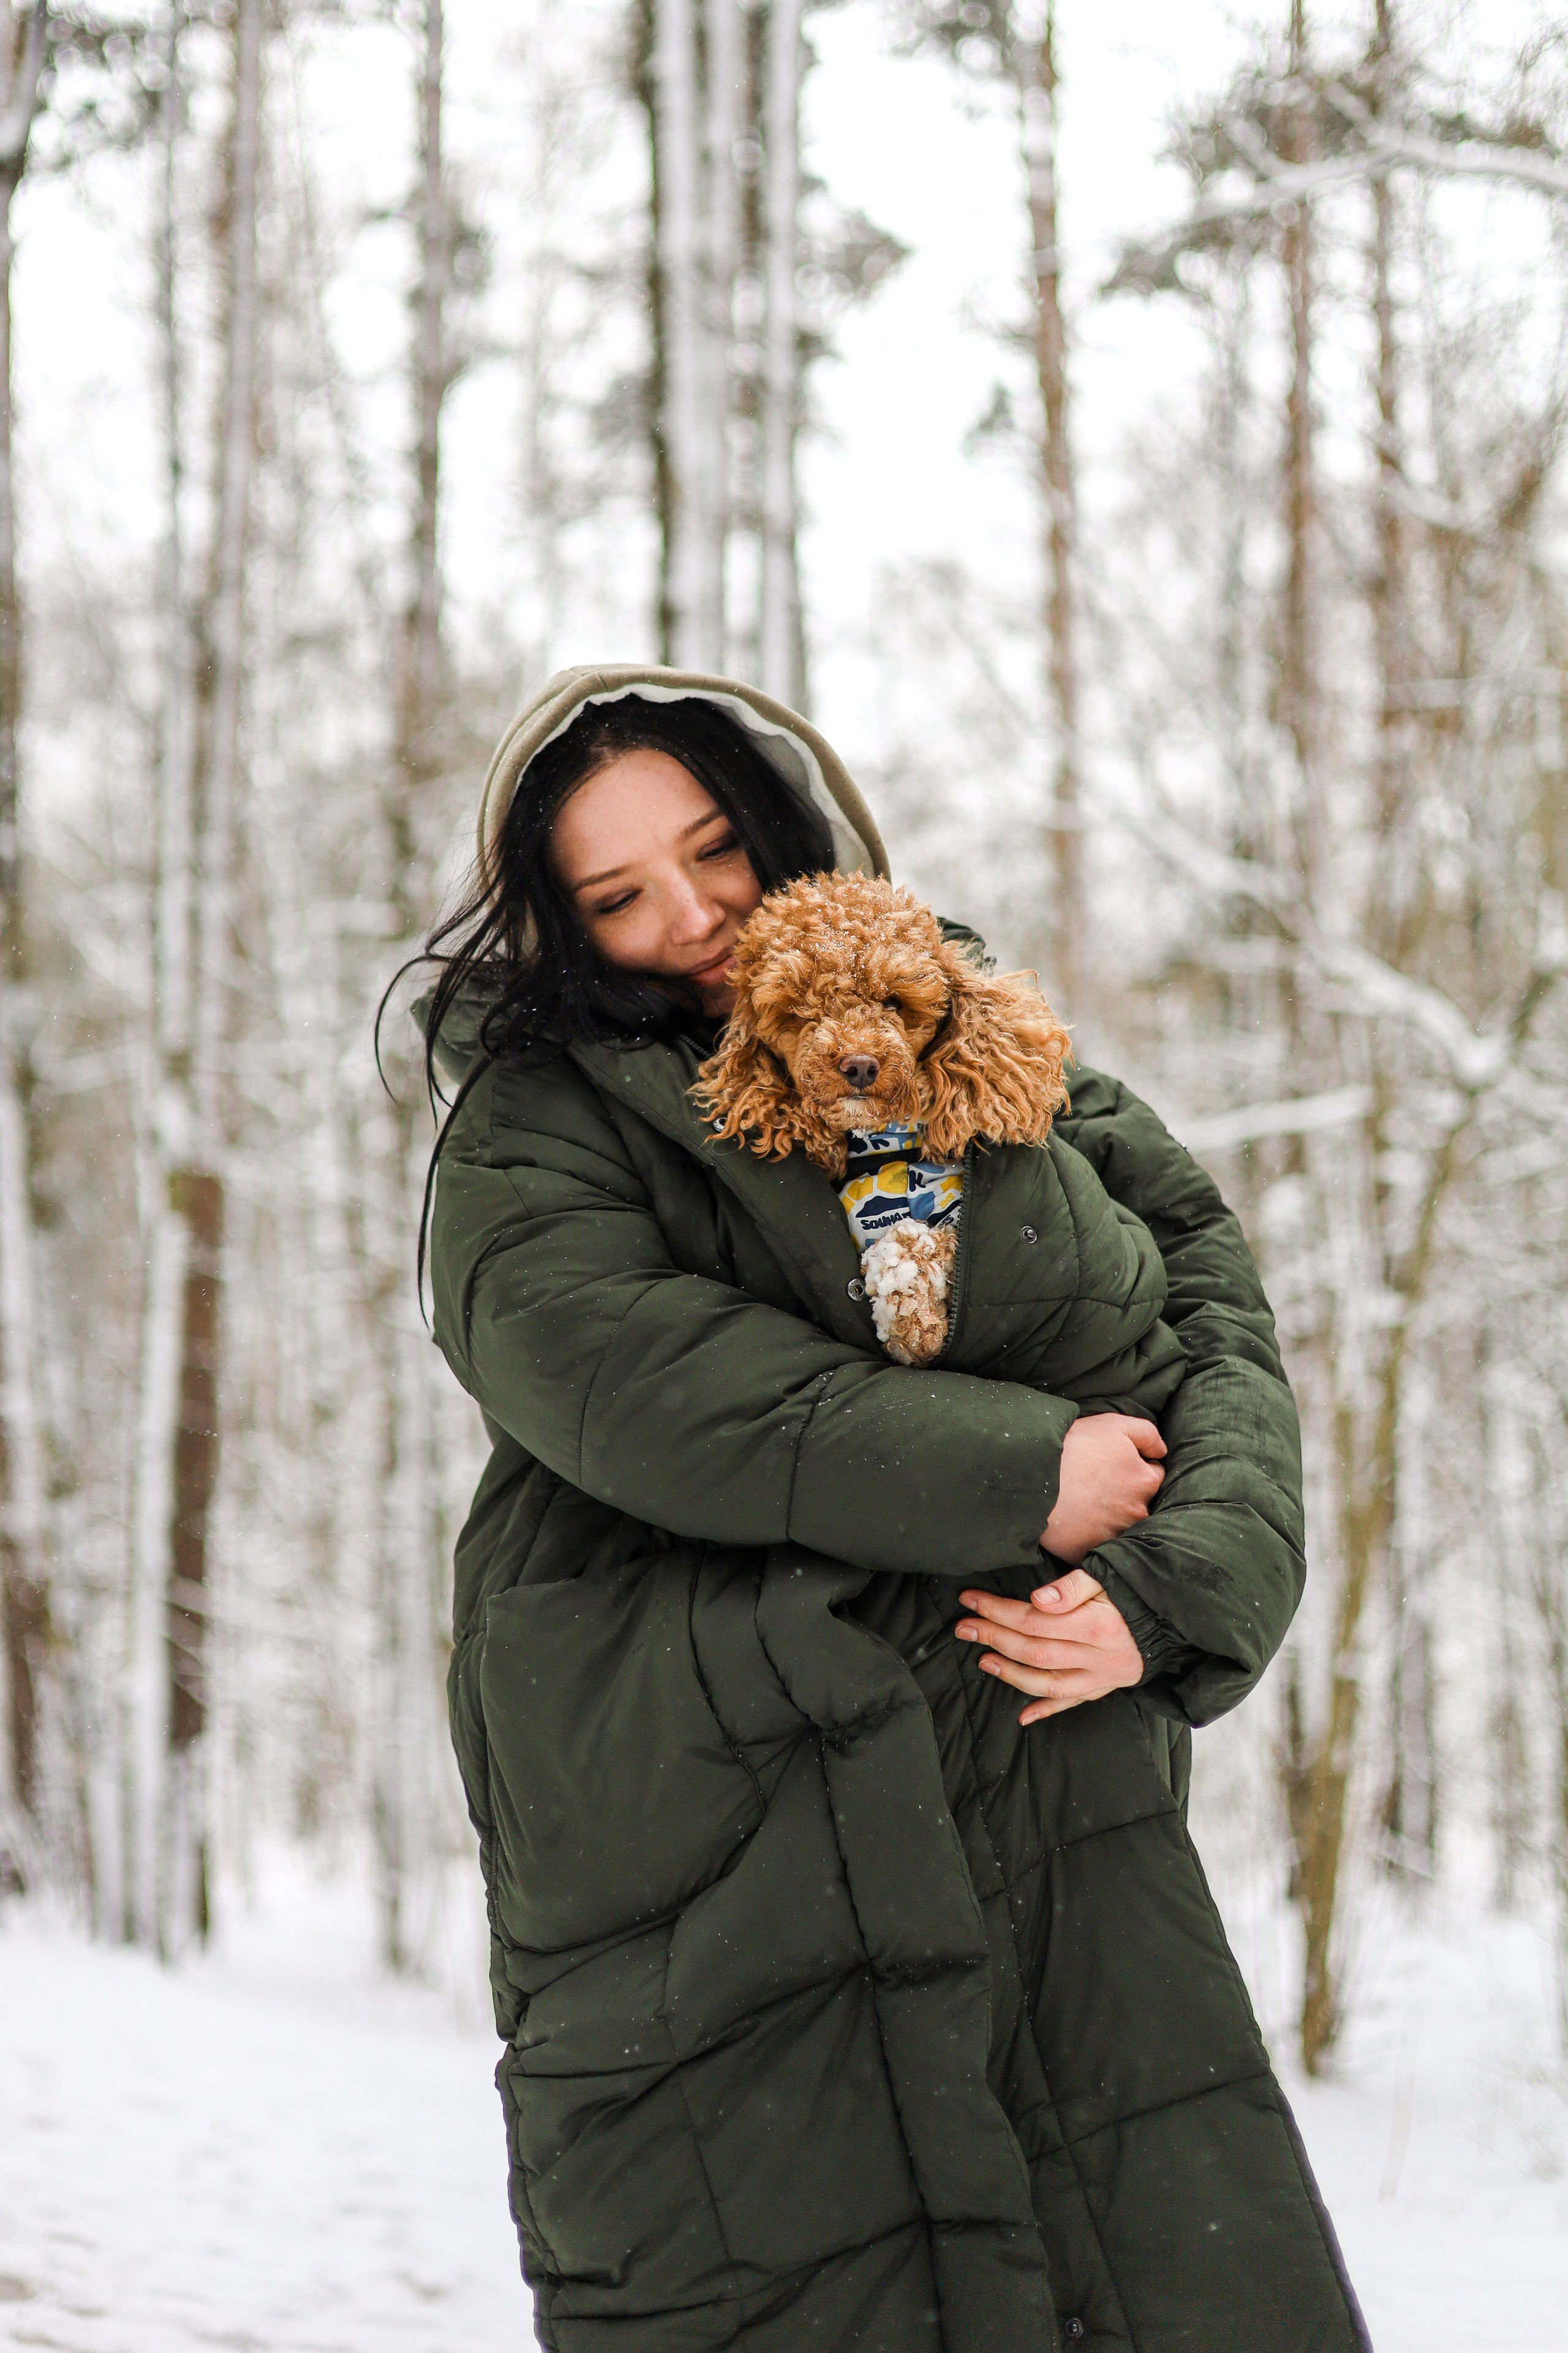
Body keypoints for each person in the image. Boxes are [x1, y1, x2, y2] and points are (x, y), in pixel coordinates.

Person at [417, 665, 1370, 2353]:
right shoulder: (536, 1115)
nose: (695, 914)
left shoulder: (967, 1025)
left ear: (784, 822)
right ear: (557, 928)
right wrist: (1024, 1473)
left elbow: (1214, 1302)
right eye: (620, 895)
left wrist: (1175, 1586)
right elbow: (626, 1378)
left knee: (1132, 2264)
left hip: (1044, 1793)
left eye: (715, 849)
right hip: (720, 1820)